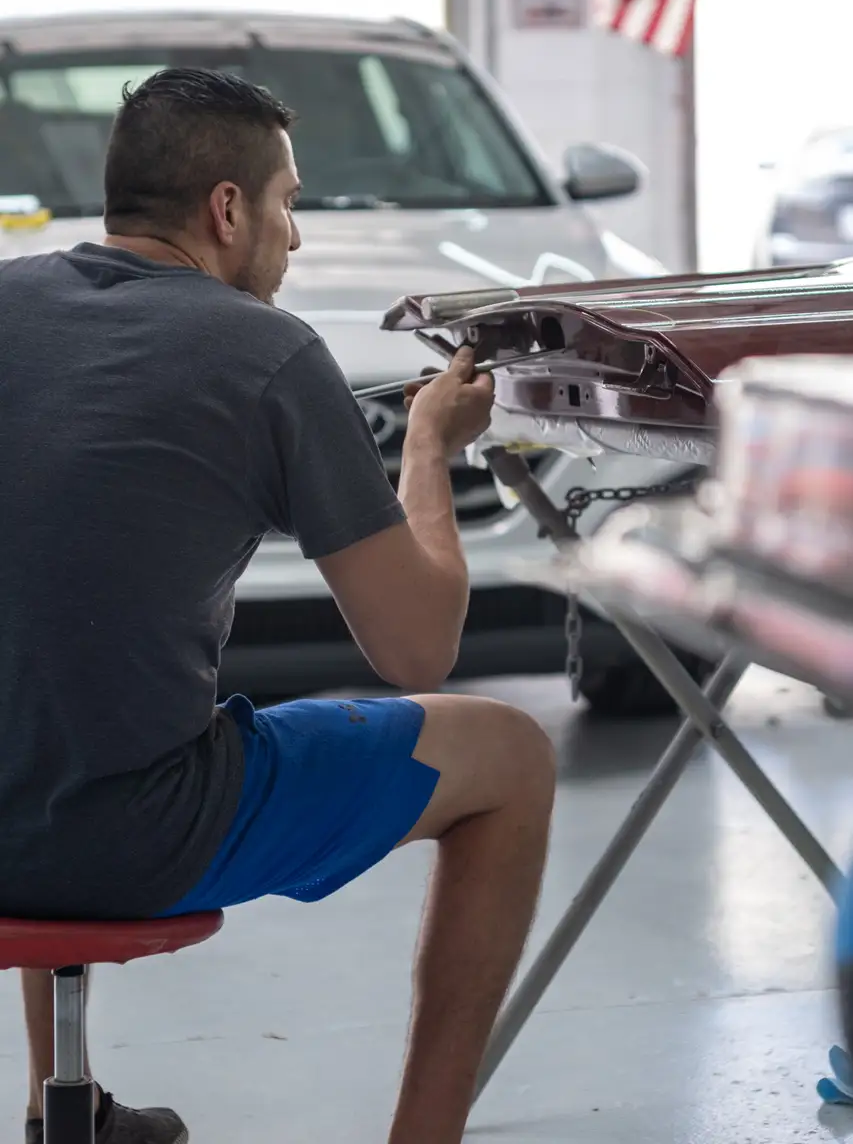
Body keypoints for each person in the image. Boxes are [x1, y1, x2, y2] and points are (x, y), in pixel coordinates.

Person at [0, 68, 557, 1144]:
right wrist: (431, 449)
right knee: (515, 756)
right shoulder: (266, 353)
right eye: (289, 203)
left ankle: (48, 1103)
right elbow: (416, 648)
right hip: (133, 835)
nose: (294, 236)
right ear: (226, 208)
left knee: (50, 678)